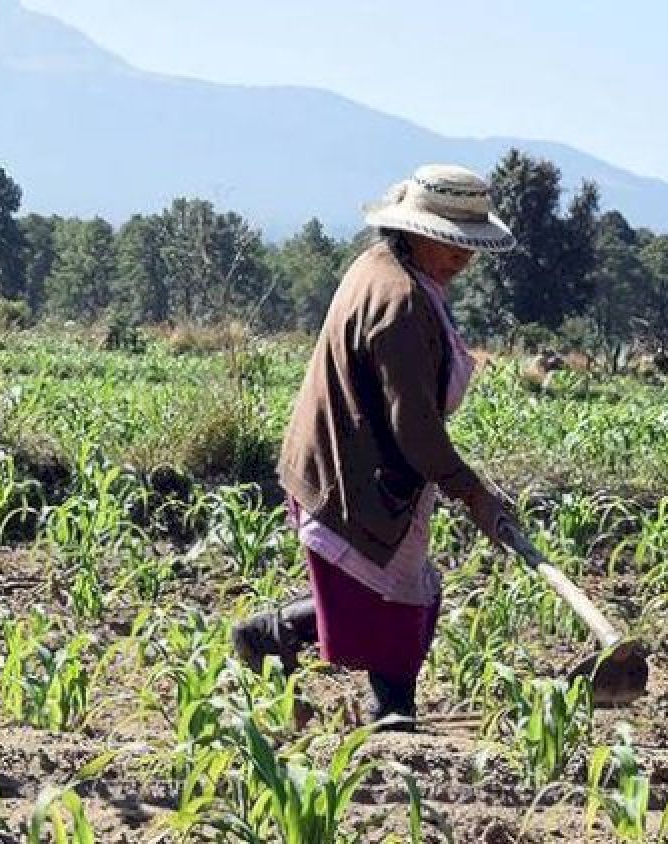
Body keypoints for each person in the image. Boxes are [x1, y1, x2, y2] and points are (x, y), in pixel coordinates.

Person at [231, 164, 518, 730]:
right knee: (394, 600)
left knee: (386, 591)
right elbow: (413, 426)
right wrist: (471, 491)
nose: (464, 257)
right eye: (451, 242)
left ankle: (276, 634)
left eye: (469, 245)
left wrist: (463, 485)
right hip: (357, 465)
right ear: (414, 230)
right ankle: (390, 709)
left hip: (360, 457)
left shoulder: (384, 266)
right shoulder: (401, 300)